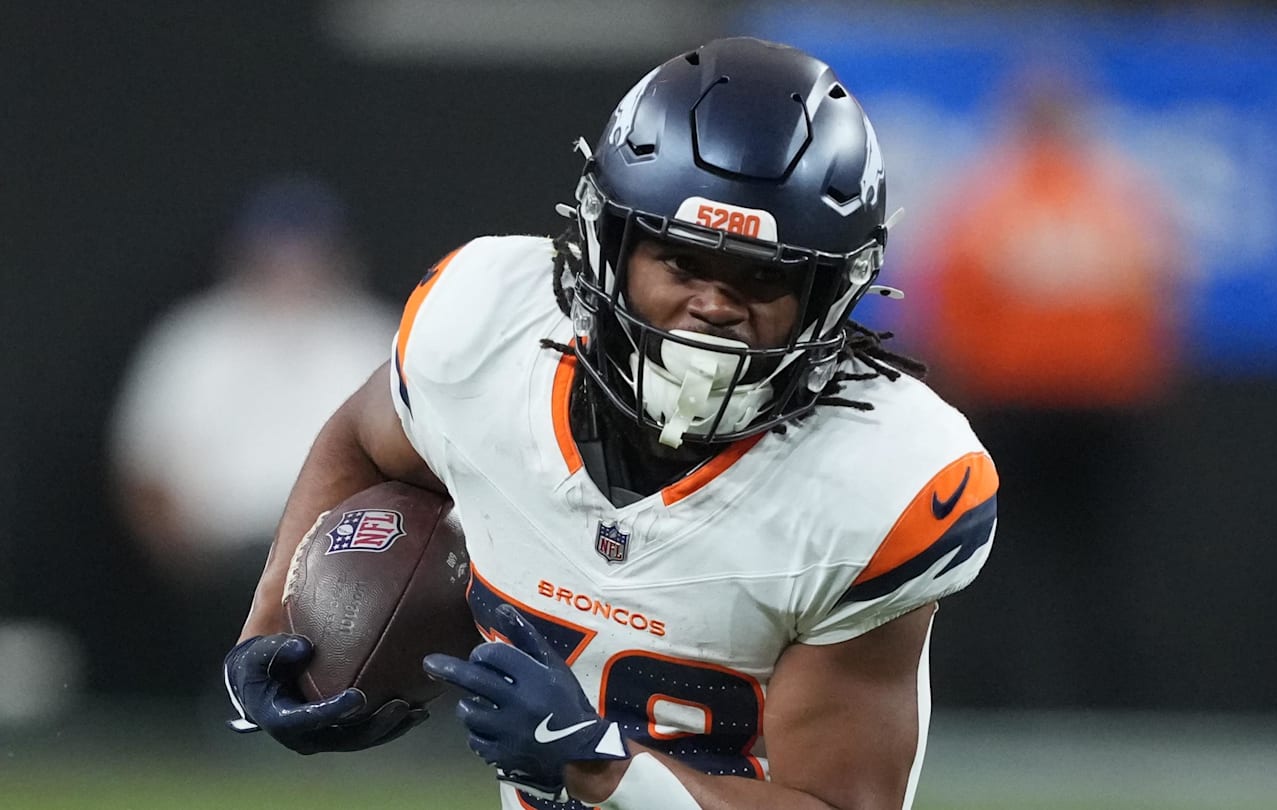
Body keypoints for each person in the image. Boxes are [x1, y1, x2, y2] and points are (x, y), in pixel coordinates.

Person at [224, 38, 999, 810]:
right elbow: (362, 437)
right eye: (684, 261)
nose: (717, 305)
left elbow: (839, 804)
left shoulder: (878, 479)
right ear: (609, 246)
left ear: (831, 292)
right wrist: (268, 625)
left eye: (766, 275)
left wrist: (604, 769)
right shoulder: (485, 334)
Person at [911, 64, 1184, 707]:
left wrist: (961, 391)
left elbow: (947, 308)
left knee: (984, 560)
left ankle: (988, 698)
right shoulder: (1123, 203)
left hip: (1014, 407)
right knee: (1106, 566)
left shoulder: (984, 201)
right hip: (1106, 411)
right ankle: (1117, 701)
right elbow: (1157, 309)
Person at [110, 175, 394, 696]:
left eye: (305, 250)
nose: (291, 266)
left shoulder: (373, 335)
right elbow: (146, 470)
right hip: (225, 555)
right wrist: (182, 559)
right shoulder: (196, 337)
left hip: (348, 549)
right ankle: (232, 706)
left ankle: (358, 711)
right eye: (277, 250)